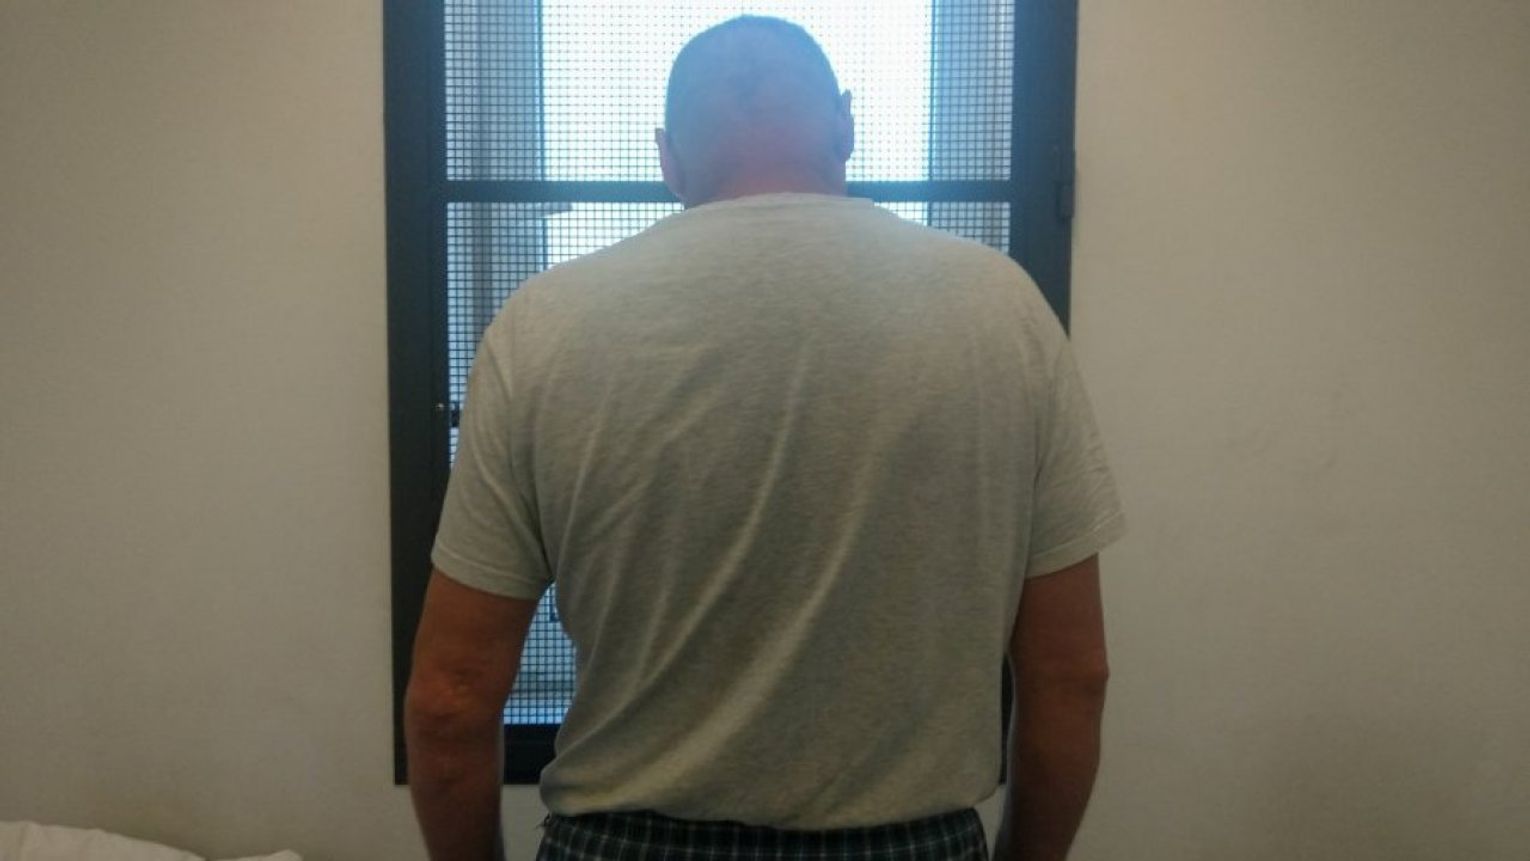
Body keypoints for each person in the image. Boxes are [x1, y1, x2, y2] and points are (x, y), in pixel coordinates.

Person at [405, 15, 1126, 861]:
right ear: (845, 123)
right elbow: (1072, 675)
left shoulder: (544, 328)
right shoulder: (1003, 313)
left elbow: (450, 698)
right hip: (910, 846)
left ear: (668, 159)